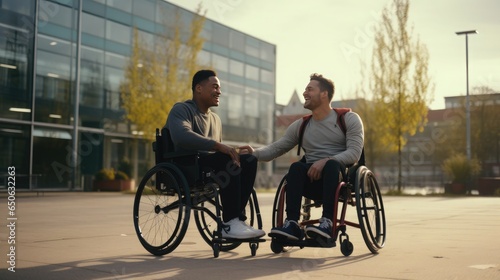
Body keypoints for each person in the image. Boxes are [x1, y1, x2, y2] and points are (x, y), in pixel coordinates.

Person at [240, 73, 364, 241]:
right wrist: (254, 153)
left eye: (309, 89)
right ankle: (292, 224)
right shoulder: (301, 125)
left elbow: (354, 153)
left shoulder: (348, 118)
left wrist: (326, 161)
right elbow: (277, 148)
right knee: (296, 167)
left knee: (331, 166)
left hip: (339, 179)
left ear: (324, 94)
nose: (305, 93)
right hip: (311, 180)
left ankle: (327, 222)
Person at [164, 69, 265, 239]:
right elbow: (181, 136)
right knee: (227, 159)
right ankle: (231, 221)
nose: (219, 91)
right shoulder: (181, 109)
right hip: (187, 167)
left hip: (210, 167)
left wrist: (235, 151)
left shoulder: (215, 119)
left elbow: (216, 150)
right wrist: (219, 146)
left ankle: (236, 220)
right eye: (215, 86)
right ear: (199, 88)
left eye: (219, 88)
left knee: (249, 160)